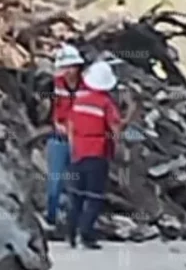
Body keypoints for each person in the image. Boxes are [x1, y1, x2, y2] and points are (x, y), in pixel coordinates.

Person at [66, 60, 122, 250]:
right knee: (94, 196)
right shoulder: (106, 103)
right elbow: (115, 127)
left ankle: (71, 233)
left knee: (76, 196)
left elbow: (70, 126)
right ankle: (86, 235)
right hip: (97, 152)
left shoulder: (79, 99)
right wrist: (118, 147)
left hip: (78, 152)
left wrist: (73, 148)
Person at [45, 43, 87, 229]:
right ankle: (52, 219)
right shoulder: (56, 85)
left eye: (71, 67)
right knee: (54, 184)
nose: (68, 71)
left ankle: (75, 223)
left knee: (78, 185)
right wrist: (59, 125)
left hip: (81, 141)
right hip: (59, 140)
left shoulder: (87, 88)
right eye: (64, 67)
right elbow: (54, 111)